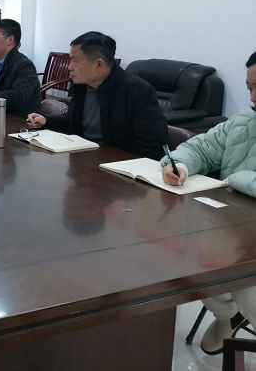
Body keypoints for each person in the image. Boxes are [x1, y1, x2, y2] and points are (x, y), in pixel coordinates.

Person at [161, 50, 256, 355]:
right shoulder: (244, 122)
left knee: (248, 287)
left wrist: (236, 179)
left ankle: (238, 311)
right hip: (235, 226)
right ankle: (228, 317)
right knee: (192, 260)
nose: (253, 98)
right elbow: (199, 148)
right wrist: (179, 165)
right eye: (250, 88)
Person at [27, 31, 168, 160]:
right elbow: (73, 121)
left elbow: (152, 145)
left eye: (75, 61)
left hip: (115, 165)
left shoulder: (138, 91)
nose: (69, 67)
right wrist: (47, 121)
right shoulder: (81, 85)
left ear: (99, 64)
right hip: (81, 158)